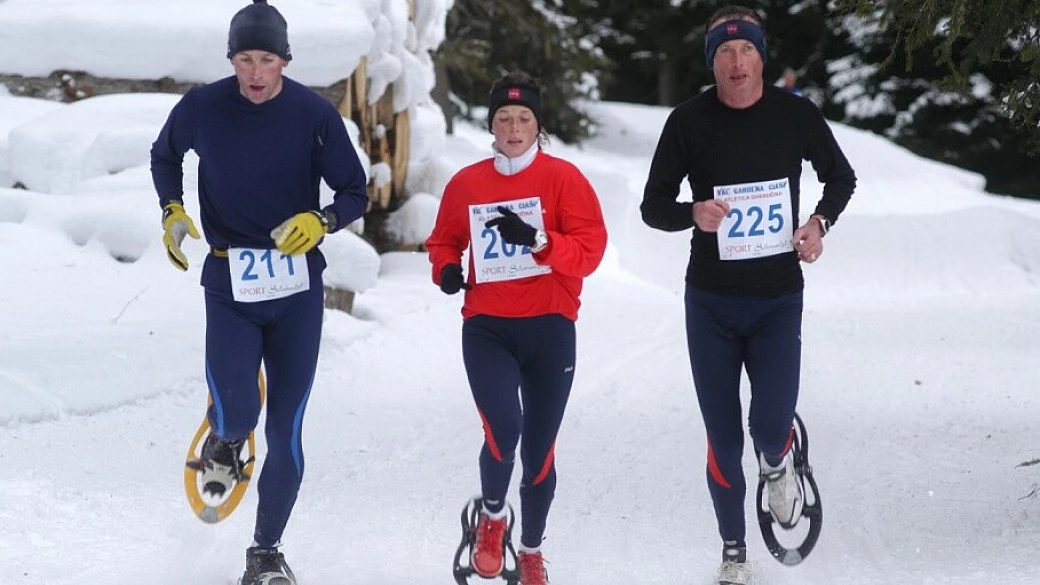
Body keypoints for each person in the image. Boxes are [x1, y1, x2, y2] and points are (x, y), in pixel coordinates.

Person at [149, 1, 368, 583]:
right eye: (244, 59)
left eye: (266, 60)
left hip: (297, 290)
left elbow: (355, 191)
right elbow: (164, 155)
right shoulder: (202, 107)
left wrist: (322, 220)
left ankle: (265, 553)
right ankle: (225, 434)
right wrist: (172, 211)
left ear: (284, 61)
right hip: (230, 282)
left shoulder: (314, 115)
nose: (255, 71)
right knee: (239, 411)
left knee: (285, 428)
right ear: (231, 59)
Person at [640, 5, 856, 585]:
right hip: (711, 302)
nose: (736, 62)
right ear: (712, 62)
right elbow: (653, 206)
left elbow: (841, 177)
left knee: (767, 425)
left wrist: (819, 223)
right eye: (724, 52)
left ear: (762, 57)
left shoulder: (795, 114)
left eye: (746, 50)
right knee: (722, 434)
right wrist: (693, 213)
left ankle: (779, 461)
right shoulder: (687, 122)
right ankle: (733, 552)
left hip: (777, 298)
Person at [425, 71, 608, 585]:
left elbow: (590, 252)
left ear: (537, 125)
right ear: (491, 125)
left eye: (523, 118)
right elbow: (443, 241)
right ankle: (492, 517)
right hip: (489, 327)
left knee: (540, 448)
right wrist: (446, 269)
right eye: (503, 118)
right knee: (503, 430)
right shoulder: (468, 183)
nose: (512, 128)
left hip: (551, 327)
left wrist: (539, 241)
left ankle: (530, 550)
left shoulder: (564, 179)